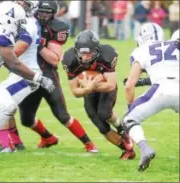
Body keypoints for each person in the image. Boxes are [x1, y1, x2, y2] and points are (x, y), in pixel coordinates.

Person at [11, 1, 98, 153]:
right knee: (26, 119)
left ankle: (89, 144)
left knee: (62, 115)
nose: (44, 15)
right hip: (27, 75)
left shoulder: (57, 27)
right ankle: (48, 138)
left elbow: (54, 59)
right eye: (42, 12)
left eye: (48, 12)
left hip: (47, 74)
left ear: (54, 13)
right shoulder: (26, 22)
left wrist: (37, 44)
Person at [62, 30, 136, 160]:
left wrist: (91, 87)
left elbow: (111, 85)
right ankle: (126, 149)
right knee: (101, 126)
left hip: (105, 89)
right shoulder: (69, 59)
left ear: (96, 50)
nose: (85, 57)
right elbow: (75, 92)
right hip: (89, 91)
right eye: (82, 53)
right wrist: (89, 88)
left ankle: (122, 129)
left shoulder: (107, 54)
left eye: (89, 52)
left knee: (104, 113)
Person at [0, 1, 54, 158]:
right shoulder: (9, 21)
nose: (20, 3)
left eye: (25, 2)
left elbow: (16, 54)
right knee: (4, 107)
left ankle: (7, 144)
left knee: (4, 106)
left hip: (25, 75)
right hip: (20, 73)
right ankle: (11, 143)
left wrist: (1, 58)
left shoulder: (27, 23)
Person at [123, 23, 179, 171]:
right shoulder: (175, 44)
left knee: (129, 120)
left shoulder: (141, 50)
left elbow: (129, 85)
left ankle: (145, 149)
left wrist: (130, 108)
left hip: (159, 90)